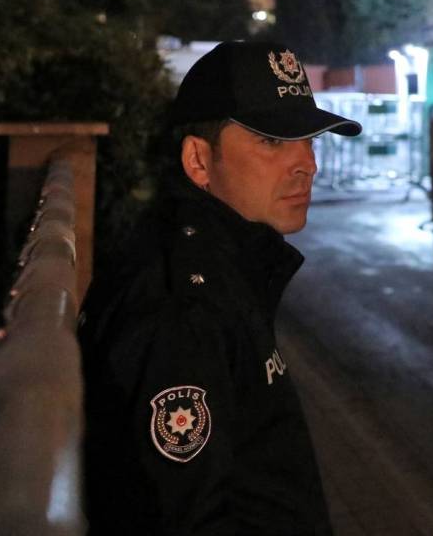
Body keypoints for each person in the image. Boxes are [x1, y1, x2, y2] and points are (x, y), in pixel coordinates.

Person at [79, 40, 362, 535]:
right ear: (199, 161)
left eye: (310, 140)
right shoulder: (184, 308)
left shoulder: (223, 264)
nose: (307, 165)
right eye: (273, 142)